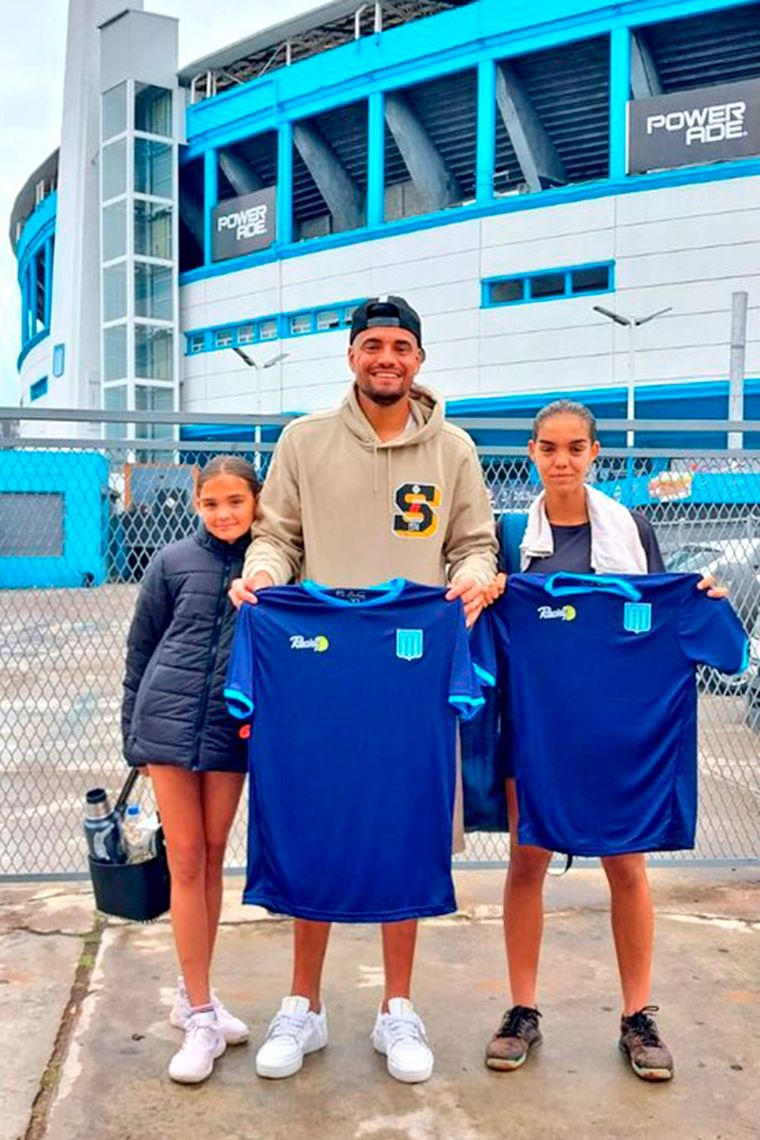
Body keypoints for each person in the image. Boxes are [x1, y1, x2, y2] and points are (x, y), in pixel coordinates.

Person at [228, 295, 497, 1084]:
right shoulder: (304, 441)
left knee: (403, 829)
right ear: (351, 355)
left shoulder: (453, 449)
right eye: (373, 344)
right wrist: (262, 577)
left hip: (409, 673)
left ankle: (397, 1010)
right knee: (316, 824)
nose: (387, 358)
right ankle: (302, 1008)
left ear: (420, 358)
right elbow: (276, 534)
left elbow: (472, 544)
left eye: (402, 345)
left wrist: (475, 580)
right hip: (318, 669)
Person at [482, 399, 728, 1082]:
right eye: (549, 448)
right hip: (535, 728)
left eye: (575, 447)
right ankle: (522, 1009)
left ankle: (637, 1016)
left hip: (617, 731)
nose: (561, 460)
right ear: (531, 453)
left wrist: (699, 592)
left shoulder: (633, 527)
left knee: (627, 868)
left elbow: (658, 604)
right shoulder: (509, 536)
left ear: (595, 453)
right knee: (526, 861)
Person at [122, 456, 260, 1085]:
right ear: (197, 505)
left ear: (255, 501)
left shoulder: (271, 565)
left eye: (235, 501)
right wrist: (133, 740)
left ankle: (191, 993)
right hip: (168, 726)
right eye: (211, 503)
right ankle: (200, 1010)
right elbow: (141, 650)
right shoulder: (172, 561)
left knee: (210, 852)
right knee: (184, 859)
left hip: (230, 730)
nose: (224, 513)